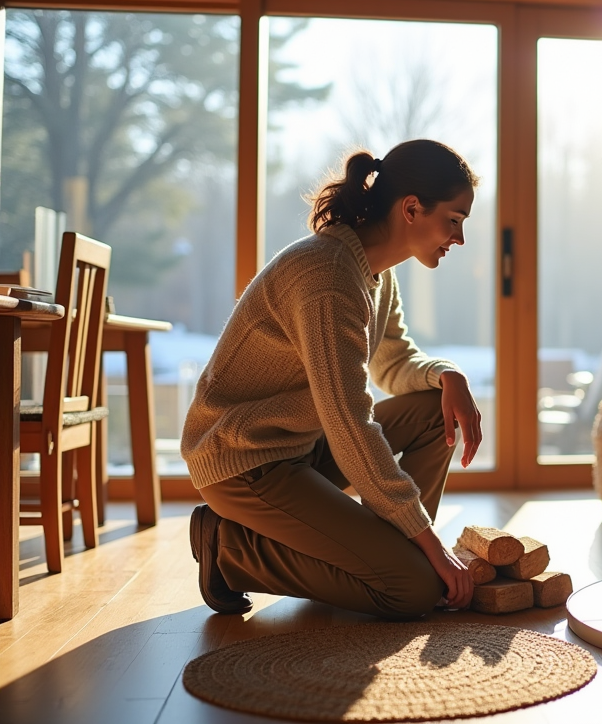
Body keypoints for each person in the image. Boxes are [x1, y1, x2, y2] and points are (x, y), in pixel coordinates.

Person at [181, 139, 482, 618]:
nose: (459, 239)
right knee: (413, 590)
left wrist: (448, 375)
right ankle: (230, 550)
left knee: (431, 407)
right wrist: (428, 545)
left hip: (302, 445)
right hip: (245, 460)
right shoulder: (327, 276)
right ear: (411, 209)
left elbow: (392, 363)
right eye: (454, 220)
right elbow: (350, 424)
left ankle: (395, 551)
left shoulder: (376, 274)